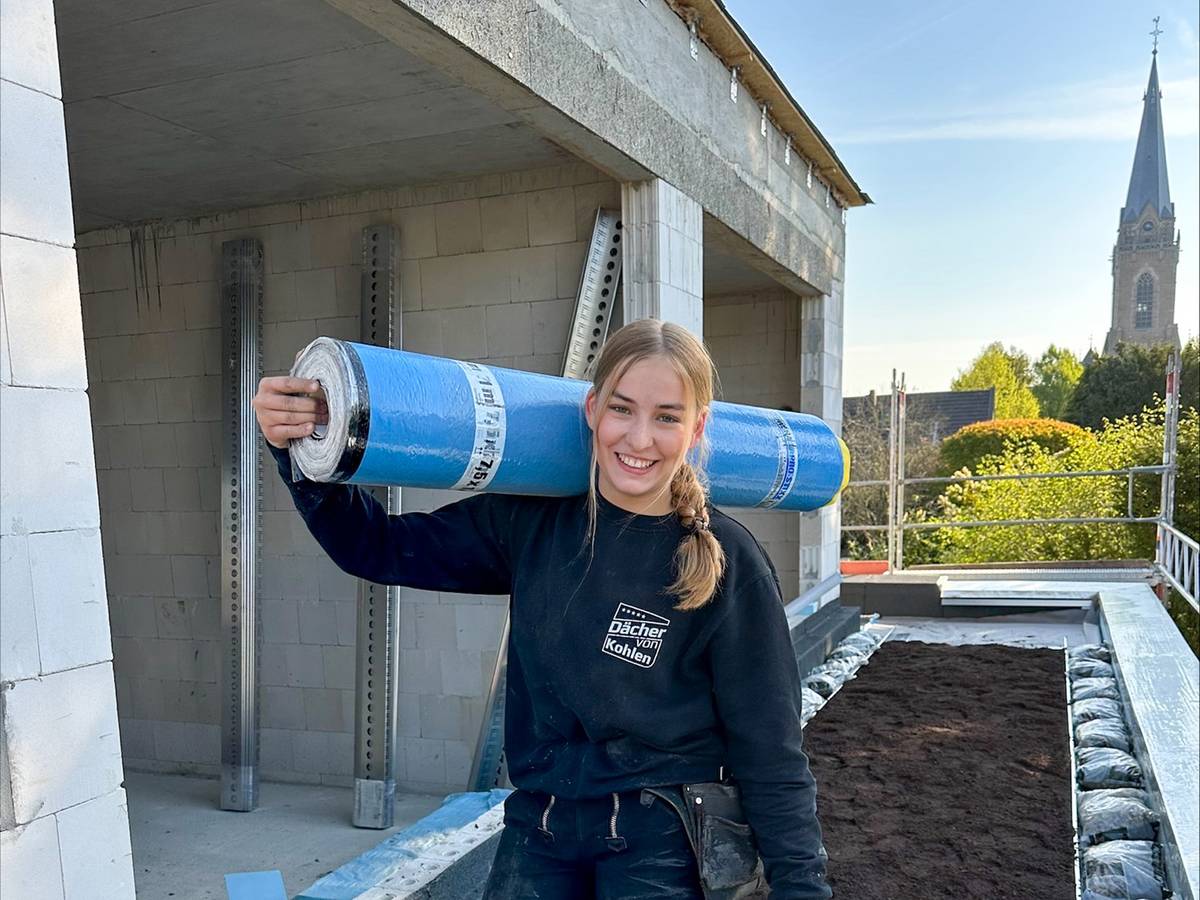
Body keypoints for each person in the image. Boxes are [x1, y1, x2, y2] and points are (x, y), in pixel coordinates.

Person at [253, 318, 832, 899]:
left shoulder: (724, 561)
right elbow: (374, 548)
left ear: (698, 428)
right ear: (591, 409)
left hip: (664, 835)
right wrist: (298, 447)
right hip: (540, 829)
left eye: (667, 417)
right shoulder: (533, 526)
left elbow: (770, 747)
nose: (638, 439)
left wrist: (801, 888)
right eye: (622, 408)